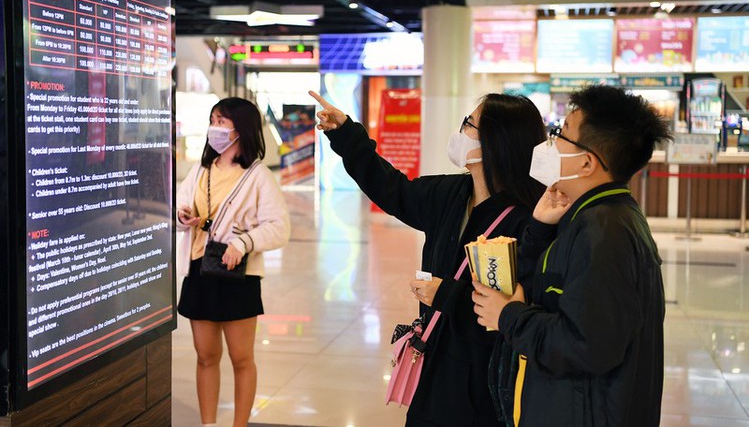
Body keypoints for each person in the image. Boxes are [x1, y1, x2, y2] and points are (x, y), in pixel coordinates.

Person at [310, 90, 546, 426]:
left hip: (483, 378)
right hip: (434, 361)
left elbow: (517, 306)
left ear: (494, 144)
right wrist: (346, 133)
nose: (460, 131)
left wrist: (446, 295)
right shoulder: (450, 194)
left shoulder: (527, 220)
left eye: (469, 124)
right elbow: (391, 188)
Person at [472, 85, 671, 426]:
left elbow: (586, 346)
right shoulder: (594, 216)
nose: (551, 142)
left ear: (587, 162)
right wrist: (539, 229)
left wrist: (509, 317)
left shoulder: (604, 232)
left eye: (560, 134)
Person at [176, 97, 290, 427]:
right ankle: (208, 423)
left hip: (238, 276)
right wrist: (184, 217)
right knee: (205, 356)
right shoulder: (200, 171)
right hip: (200, 270)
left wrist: (244, 241)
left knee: (241, 359)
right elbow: (182, 203)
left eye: (222, 121)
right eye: (213, 118)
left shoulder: (258, 177)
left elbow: (279, 227)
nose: (215, 127)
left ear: (241, 129)